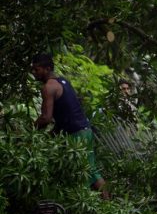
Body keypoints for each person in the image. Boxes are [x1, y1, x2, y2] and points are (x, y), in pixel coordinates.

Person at [30, 53, 109, 199]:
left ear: (47, 69)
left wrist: (30, 132)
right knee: (91, 170)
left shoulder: (49, 87)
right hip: (85, 130)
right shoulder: (63, 81)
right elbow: (66, 113)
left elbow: (46, 118)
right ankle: (108, 206)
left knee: (81, 172)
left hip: (77, 135)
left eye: (37, 69)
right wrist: (52, 135)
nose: (34, 73)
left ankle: (87, 203)